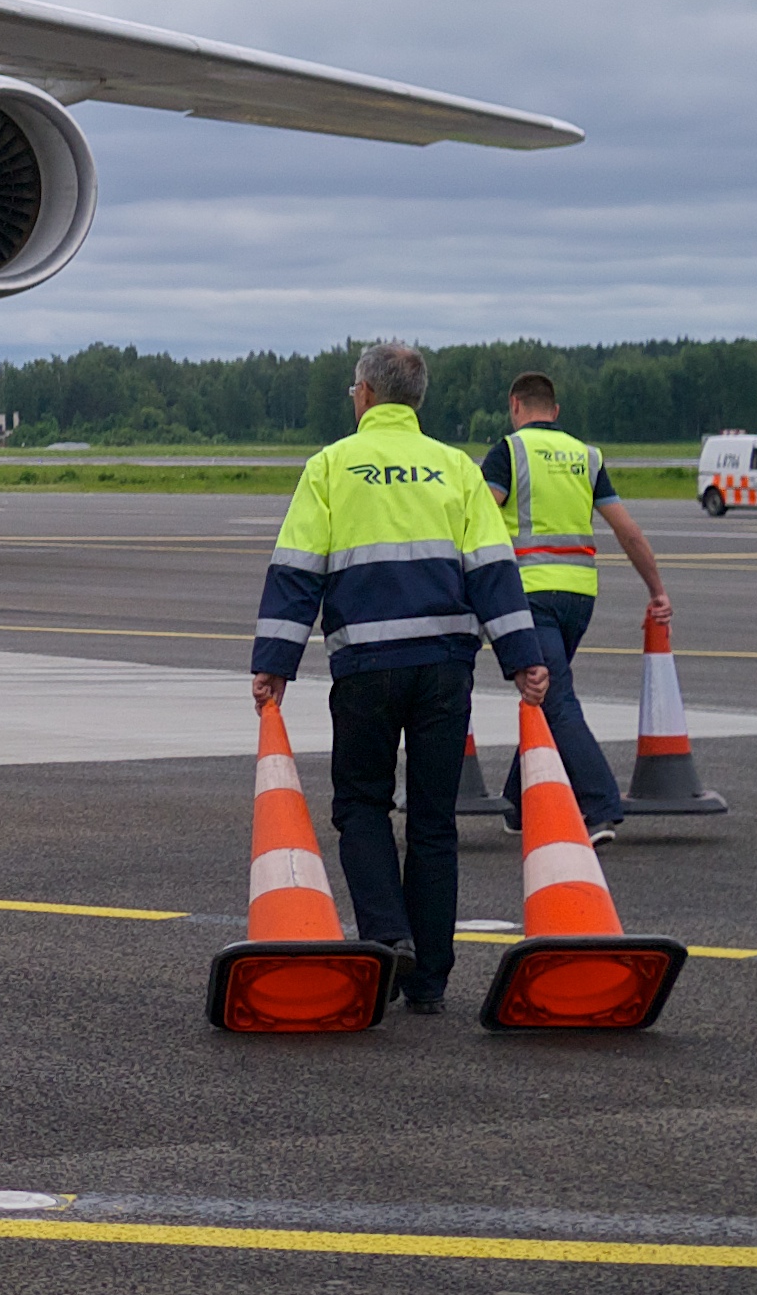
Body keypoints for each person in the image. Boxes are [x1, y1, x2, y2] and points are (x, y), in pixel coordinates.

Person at [248, 342, 556, 1018]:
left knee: (361, 805)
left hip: (365, 665)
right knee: (434, 820)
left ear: (363, 393)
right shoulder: (455, 468)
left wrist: (274, 662)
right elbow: (493, 571)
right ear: (415, 400)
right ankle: (432, 980)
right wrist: (522, 657)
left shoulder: (330, 465)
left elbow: (297, 569)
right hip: (445, 666)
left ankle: (388, 934)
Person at [482, 368, 670, 840]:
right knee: (546, 691)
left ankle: (598, 804)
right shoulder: (586, 455)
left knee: (554, 696)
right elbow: (627, 529)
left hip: (527, 594)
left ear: (514, 406)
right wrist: (656, 589)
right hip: (579, 596)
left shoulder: (509, 451)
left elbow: (479, 517)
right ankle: (518, 803)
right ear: (556, 410)